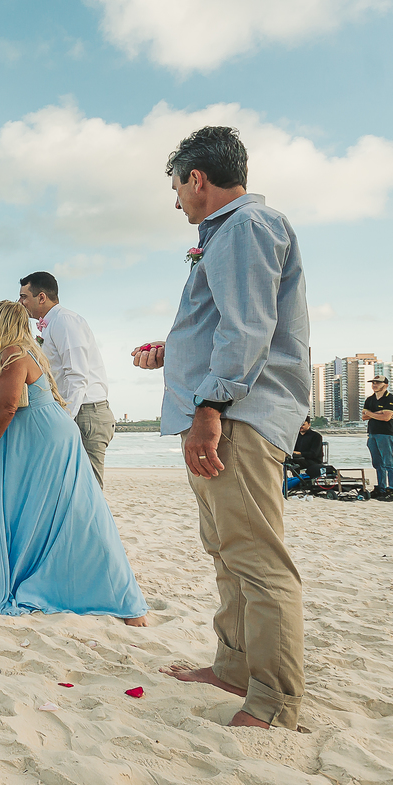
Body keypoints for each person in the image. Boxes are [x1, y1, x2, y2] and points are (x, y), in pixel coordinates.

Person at [133, 126, 309, 730]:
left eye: (177, 188)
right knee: (227, 554)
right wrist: (174, 352)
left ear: (197, 178)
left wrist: (210, 407)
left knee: (257, 561)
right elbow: (231, 323)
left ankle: (274, 701)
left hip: (236, 418)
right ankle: (234, 667)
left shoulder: (245, 227)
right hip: (223, 411)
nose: (177, 201)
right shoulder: (231, 232)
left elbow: (250, 328)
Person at [0, 302, 148, 624]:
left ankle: (114, 592)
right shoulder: (16, 351)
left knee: (72, 511)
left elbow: (8, 407)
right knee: (47, 509)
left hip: (43, 438)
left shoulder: (13, 355)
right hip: (38, 436)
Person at [18, 271, 115, 487]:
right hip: (75, 410)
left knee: (88, 489)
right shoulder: (51, 324)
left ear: (41, 297)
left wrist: (64, 419)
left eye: (24, 296)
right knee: (69, 487)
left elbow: (77, 376)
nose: (20, 302)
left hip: (85, 412)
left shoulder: (65, 321)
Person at [362, 376, 393, 499]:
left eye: (378, 383)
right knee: (377, 463)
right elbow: (364, 417)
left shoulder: (390, 398)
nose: (374, 385)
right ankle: (381, 488)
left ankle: (391, 488)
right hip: (372, 433)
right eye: (373, 383)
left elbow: (386, 417)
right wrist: (379, 413)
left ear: (385, 385)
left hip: (386, 434)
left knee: (389, 462)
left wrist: (370, 413)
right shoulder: (370, 399)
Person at [286, 417, 324, 490]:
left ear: (309, 425)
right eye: (299, 424)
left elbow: (314, 454)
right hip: (299, 459)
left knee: (295, 463)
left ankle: (298, 482)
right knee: (283, 462)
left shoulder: (316, 436)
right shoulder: (296, 436)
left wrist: (300, 453)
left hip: (313, 461)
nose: (301, 426)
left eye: (303, 425)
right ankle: (287, 482)